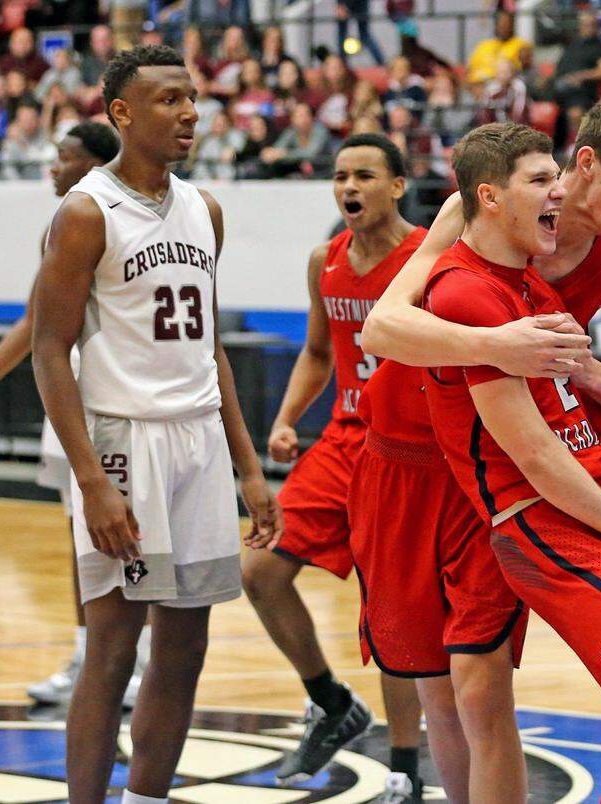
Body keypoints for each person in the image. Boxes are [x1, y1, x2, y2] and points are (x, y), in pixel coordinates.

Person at [361, 94, 601, 802]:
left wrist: (585, 370)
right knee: (443, 687)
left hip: (525, 463)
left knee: (483, 686)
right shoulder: (475, 229)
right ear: (585, 165)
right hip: (422, 452)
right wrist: (498, 345)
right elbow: (381, 328)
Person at [31, 44, 282, 803]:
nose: (189, 113)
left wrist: (248, 468)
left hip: (198, 441)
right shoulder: (86, 212)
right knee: (113, 650)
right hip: (123, 442)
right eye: (169, 100)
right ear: (121, 113)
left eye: (192, 97)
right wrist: (90, 483)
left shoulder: (205, 209)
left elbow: (209, 348)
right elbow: (49, 349)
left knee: (185, 649)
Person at [240, 133, 429, 791]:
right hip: (345, 440)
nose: (349, 186)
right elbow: (319, 352)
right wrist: (286, 417)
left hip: (405, 449)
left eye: (365, 175)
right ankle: (330, 702)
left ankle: (404, 770)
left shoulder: (428, 258)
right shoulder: (325, 260)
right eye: (341, 175)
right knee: (260, 569)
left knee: (388, 612)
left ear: (398, 186)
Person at [0, 122, 127, 707]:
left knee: (134, 537)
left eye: (64, 156)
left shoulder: (124, 218)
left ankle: (132, 659)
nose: (53, 166)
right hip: (69, 394)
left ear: (93, 164)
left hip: (122, 398)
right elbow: (33, 322)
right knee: (81, 534)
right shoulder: (60, 224)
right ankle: (88, 655)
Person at [466, 10, 530, 86]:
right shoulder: (483, 45)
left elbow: (524, 70)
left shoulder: (521, 45)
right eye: (501, 23)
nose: (504, 27)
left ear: (512, 25)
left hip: (503, 87)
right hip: (477, 86)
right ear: (496, 25)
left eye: (507, 24)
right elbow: (469, 71)